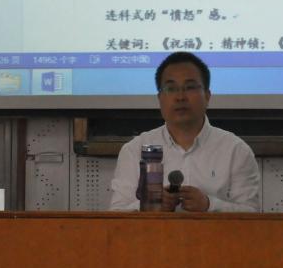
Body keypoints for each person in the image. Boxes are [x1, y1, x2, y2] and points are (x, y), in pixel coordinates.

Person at [109, 51, 261, 212]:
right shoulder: (135, 150)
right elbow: (116, 214)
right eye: (171, 88)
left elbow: (252, 214)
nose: (180, 97)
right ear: (159, 98)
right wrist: (149, 205)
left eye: (190, 87)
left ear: (207, 96)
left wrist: (209, 205)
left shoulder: (235, 150)